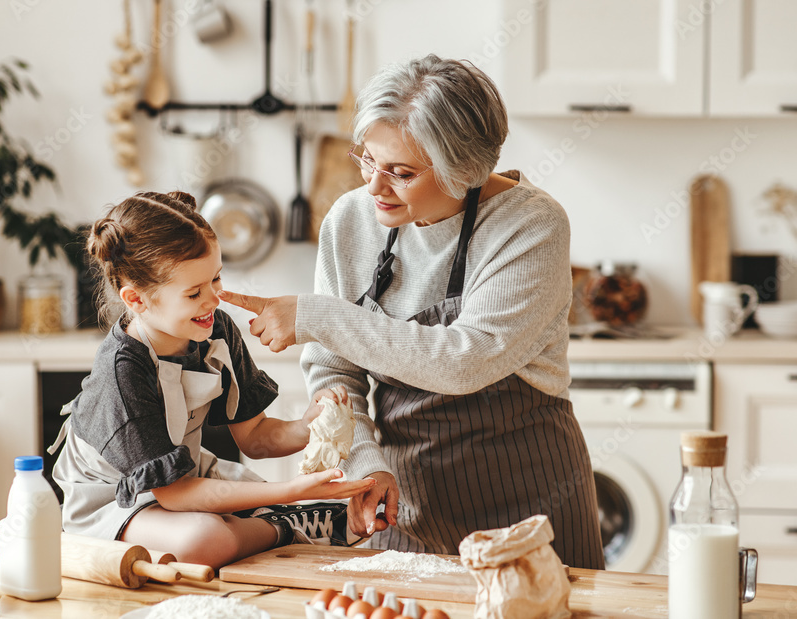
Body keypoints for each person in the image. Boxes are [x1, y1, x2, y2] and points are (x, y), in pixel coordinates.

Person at [218, 55, 606, 569]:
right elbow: (335, 374)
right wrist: (365, 462)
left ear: (464, 170)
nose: (374, 186)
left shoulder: (531, 226)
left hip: (531, 497)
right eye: (367, 160)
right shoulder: (351, 220)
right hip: (406, 500)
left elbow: (467, 360)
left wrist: (319, 317)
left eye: (400, 172)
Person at [48, 190, 375, 569]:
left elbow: (255, 437)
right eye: (193, 293)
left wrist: (308, 425)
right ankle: (288, 526)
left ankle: (282, 519)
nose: (213, 300)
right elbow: (174, 494)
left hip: (183, 476)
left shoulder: (213, 330)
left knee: (226, 518)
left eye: (215, 278)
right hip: (114, 498)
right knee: (204, 540)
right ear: (136, 300)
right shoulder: (123, 373)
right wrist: (289, 495)